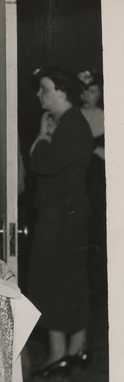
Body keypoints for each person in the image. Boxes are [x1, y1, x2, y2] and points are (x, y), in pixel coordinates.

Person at [27, 67, 93, 377]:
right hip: (68, 215)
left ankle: (58, 353)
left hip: (61, 217)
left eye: (45, 88)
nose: (40, 94)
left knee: (51, 281)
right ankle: (76, 348)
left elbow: (44, 163)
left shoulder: (69, 124)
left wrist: (41, 137)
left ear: (62, 93)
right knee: (69, 281)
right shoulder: (71, 123)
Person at [78, 69, 106, 295]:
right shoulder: (72, 116)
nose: (87, 94)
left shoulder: (108, 117)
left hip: (99, 191)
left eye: (93, 90)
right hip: (76, 190)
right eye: (83, 90)